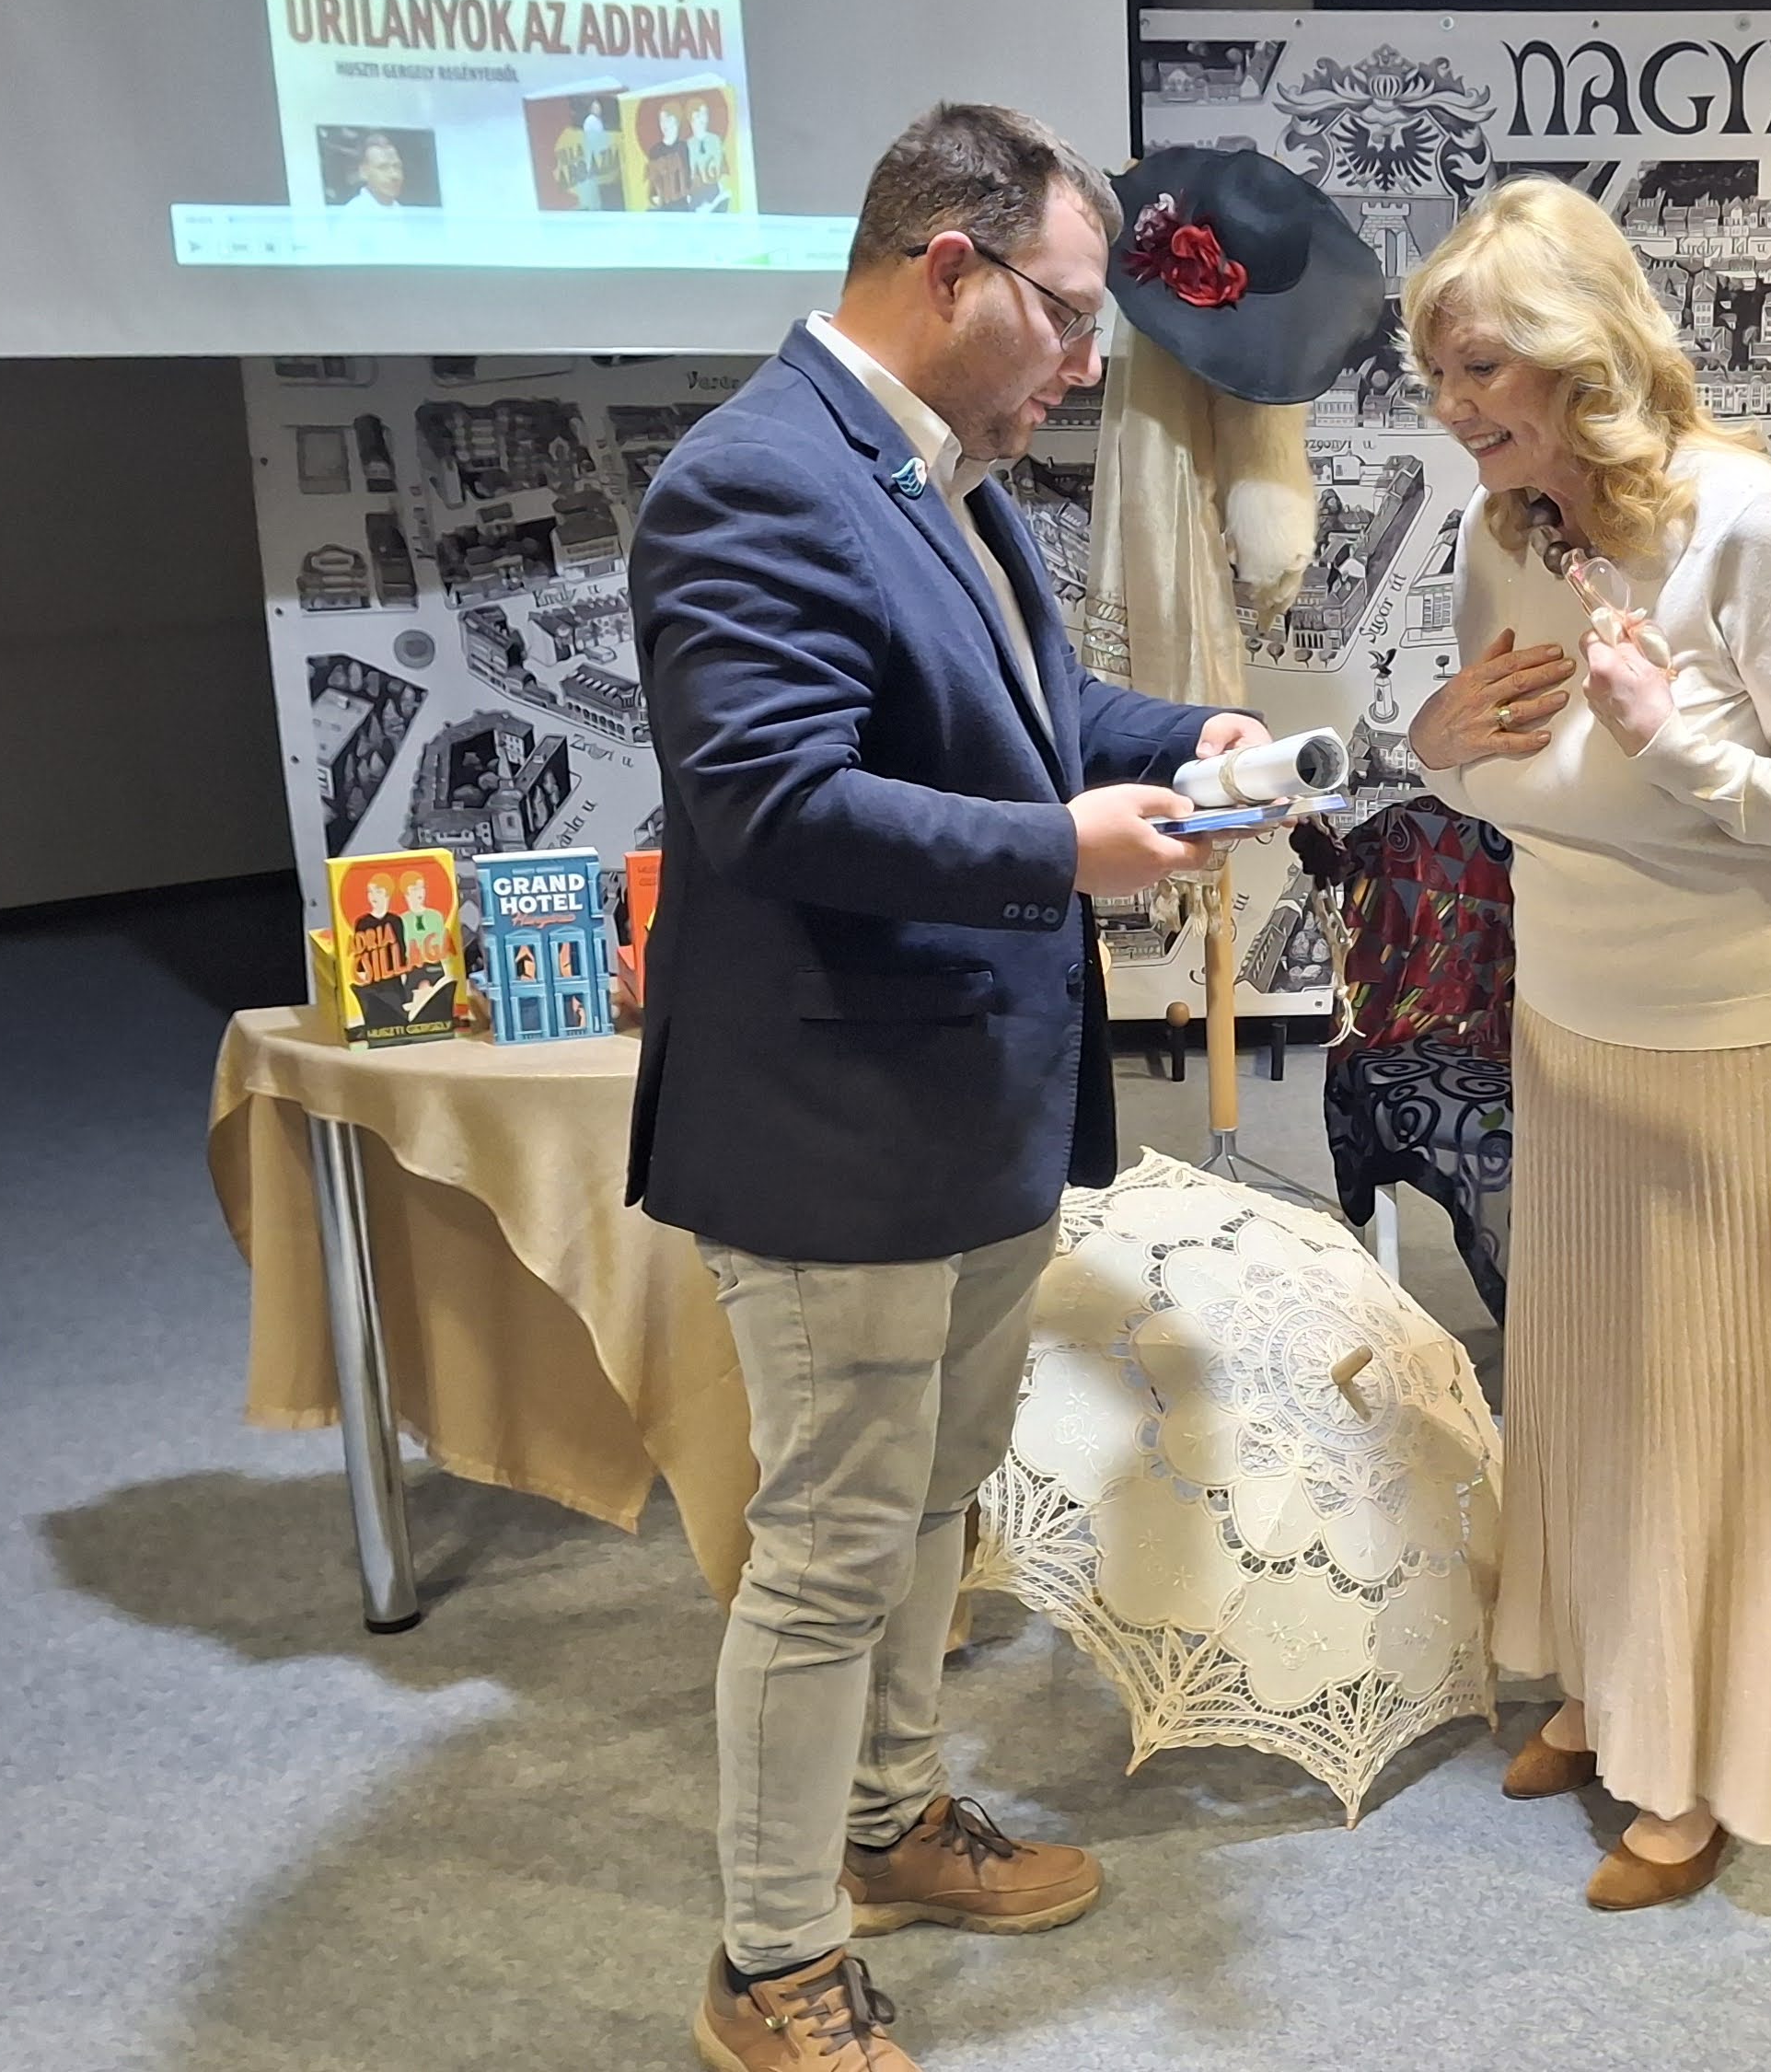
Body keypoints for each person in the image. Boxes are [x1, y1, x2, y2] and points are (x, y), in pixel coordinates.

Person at [626, 101, 1267, 2072]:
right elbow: (771, 801)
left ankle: (888, 1820)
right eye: (1065, 316)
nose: (1084, 363)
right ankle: (769, 1959)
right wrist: (1058, 851)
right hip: (832, 1127)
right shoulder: (752, 479)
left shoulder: (943, 469)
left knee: (925, 1505)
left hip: (969, 1101)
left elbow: (1031, 716)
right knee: (832, 1545)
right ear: (949, 267)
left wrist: (1190, 734)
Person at [1399, 176, 1771, 1911]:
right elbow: (1492, 774)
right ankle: (1609, 1689)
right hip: (1573, 1017)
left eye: (1479, 368)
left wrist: (1675, 745)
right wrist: (1431, 735)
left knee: (1705, 1409)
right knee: (1588, 1379)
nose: (1452, 406)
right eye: (1435, 374)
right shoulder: (1506, 530)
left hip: (1735, 1041)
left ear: (1575, 355)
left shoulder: (1738, 521)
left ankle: (1697, 1762)